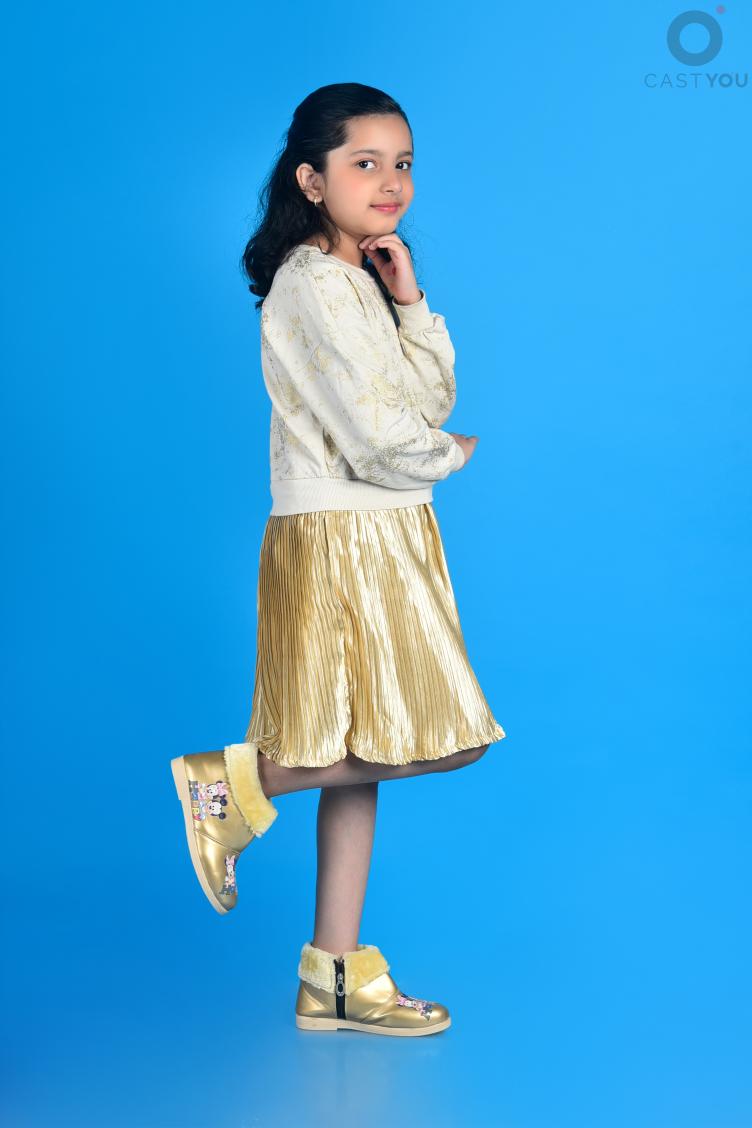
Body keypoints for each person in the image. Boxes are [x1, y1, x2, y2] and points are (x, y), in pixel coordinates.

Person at [170, 82, 507, 1037]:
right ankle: (228, 785)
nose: (391, 182)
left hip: (382, 526)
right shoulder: (313, 283)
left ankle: (334, 975)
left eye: (403, 164)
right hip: (345, 531)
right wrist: (450, 458)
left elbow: (423, 401)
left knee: (357, 763)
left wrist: (411, 301)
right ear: (311, 180)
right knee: (437, 734)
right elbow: (380, 436)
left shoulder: (356, 280)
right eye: (366, 163)